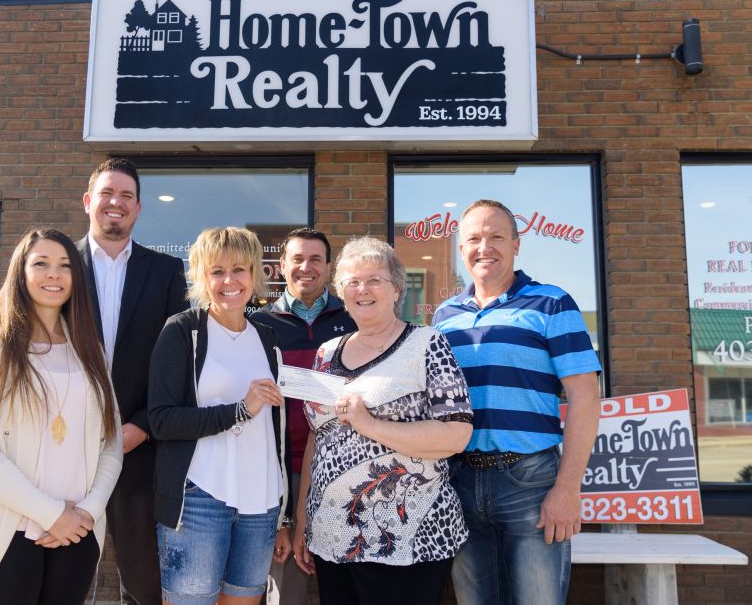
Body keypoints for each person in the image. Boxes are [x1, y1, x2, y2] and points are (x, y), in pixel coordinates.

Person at [433, 200, 602, 605]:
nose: (484, 247)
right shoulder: (444, 316)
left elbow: (585, 396)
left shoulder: (552, 304)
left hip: (530, 482)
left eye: (496, 236)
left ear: (516, 244)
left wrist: (568, 489)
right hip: (460, 482)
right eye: (473, 238)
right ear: (461, 249)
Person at [292, 236, 473, 605]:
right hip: (332, 536)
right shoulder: (327, 352)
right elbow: (318, 438)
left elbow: (456, 434)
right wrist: (301, 517)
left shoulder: (426, 343)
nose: (363, 289)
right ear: (341, 292)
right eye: (352, 281)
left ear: (396, 289)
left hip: (406, 537)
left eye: (374, 279)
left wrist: (371, 424)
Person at [0, 227, 123, 604]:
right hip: (6, 533)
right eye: (41, 263)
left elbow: (112, 442)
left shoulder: (89, 349)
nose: (53, 274)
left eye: (64, 265)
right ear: (20, 273)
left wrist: (87, 514)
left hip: (77, 534)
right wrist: (51, 514)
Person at [147, 226, 293, 605]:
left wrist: (284, 512)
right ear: (201, 276)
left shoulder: (268, 337)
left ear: (255, 274)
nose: (229, 281)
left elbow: (277, 429)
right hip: (200, 498)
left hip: (260, 502)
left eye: (239, 269)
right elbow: (161, 420)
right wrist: (239, 410)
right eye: (217, 271)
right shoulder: (183, 331)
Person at [77, 158, 189, 604]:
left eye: (126, 196)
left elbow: (178, 365)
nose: (115, 203)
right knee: (61, 568)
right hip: (65, 448)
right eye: (107, 193)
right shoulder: (56, 266)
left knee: (142, 583)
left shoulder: (164, 273)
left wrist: (143, 425)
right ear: (89, 201)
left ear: (138, 209)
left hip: (137, 449)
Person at [250, 227, 357, 605]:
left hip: (339, 467)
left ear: (329, 267)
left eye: (315, 260)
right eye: (297, 259)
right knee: (286, 580)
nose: (306, 268)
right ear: (281, 266)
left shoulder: (353, 319)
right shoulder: (260, 325)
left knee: (342, 572)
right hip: (278, 468)